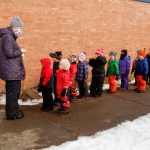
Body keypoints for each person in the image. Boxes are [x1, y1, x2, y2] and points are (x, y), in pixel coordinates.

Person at [0, 16, 25, 120]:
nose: (20, 31)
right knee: (12, 94)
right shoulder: (8, 37)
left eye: (21, 29)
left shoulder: (9, 36)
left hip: (12, 71)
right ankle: (12, 114)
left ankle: (14, 111)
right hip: (12, 72)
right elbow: (9, 53)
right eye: (18, 29)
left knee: (14, 93)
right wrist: (21, 51)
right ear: (13, 28)